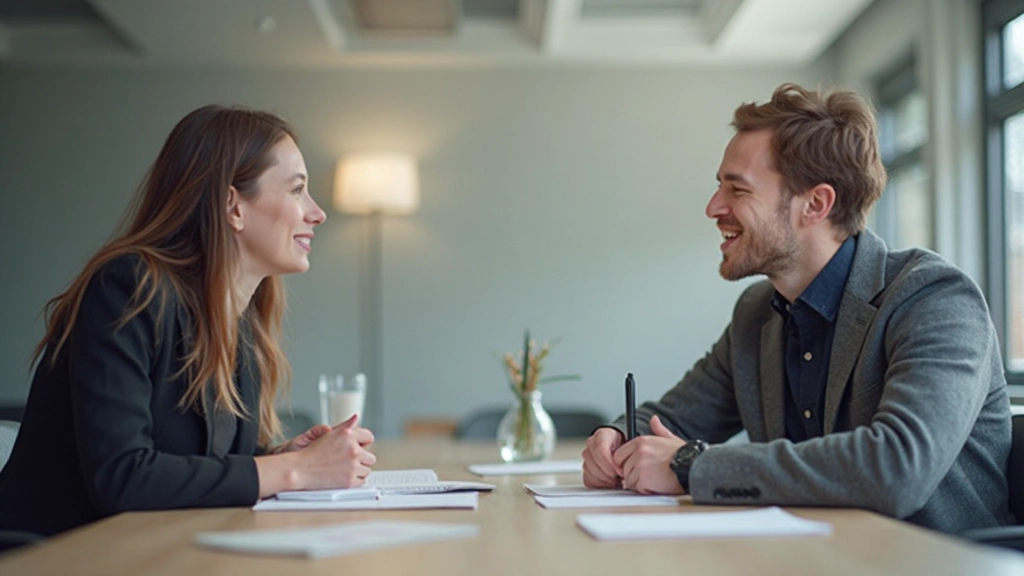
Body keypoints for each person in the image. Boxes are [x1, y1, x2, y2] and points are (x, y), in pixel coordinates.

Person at [582, 83, 1015, 534]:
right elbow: (667, 421)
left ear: (816, 204)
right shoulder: (756, 315)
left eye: (738, 189)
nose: (714, 207)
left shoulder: (934, 299)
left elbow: (897, 468)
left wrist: (692, 465)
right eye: (719, 187)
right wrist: (616, 437)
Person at [0, 105, 377, 538]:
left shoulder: (237, 319)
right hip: (57, 555)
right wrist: (292, 470)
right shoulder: (128, 288)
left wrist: (277, 457)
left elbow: (189, 457)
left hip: (147, 550)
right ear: (232, 205)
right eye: (297, 190)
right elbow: (122, 477)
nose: (317, 213)